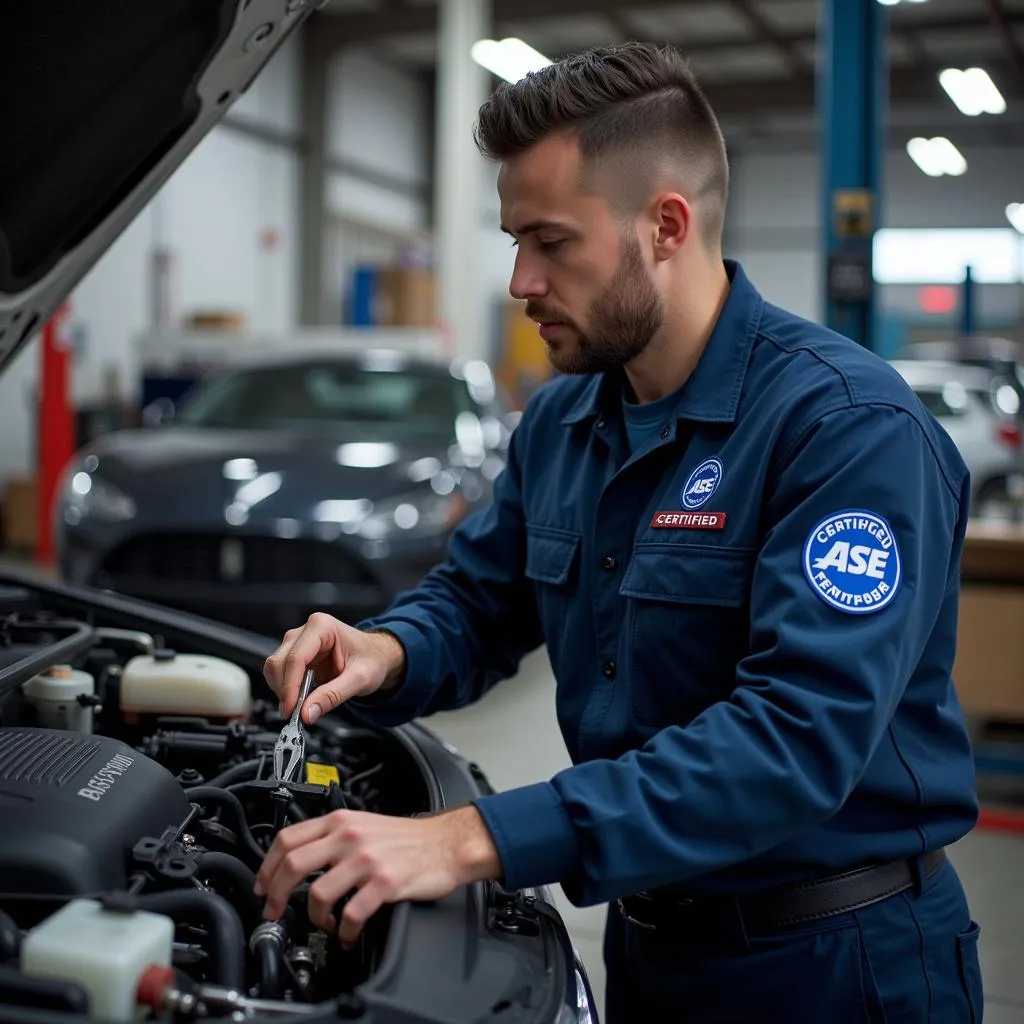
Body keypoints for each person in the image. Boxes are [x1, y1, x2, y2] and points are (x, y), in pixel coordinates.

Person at [257, 42, 984, 1022]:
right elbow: (479, 599)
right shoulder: (563, 423)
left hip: (836, 963)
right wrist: (387, 649)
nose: (519, 280)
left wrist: (476, 837)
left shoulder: (844, 430)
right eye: (514, 239)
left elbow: (792, 738)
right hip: (651, 947)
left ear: (665, 226)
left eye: (550, 242)